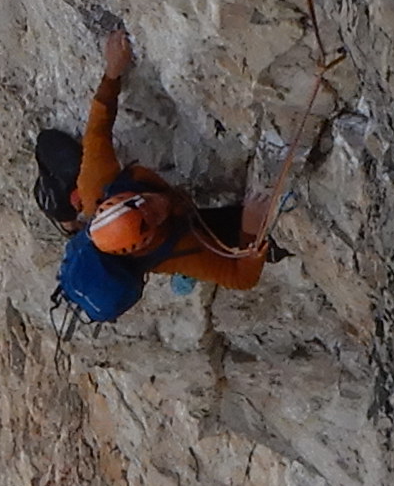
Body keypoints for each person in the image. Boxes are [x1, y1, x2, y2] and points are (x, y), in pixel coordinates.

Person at [42, 22, 291, 322]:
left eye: (144, 201)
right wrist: (252, 231)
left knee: (55, 152)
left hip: (97, 201)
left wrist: (112, 72)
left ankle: (68, 217)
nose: (158, 205)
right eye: (154, 218)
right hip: (186, 231)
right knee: (249, 233)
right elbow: (241, 278)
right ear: (147, 242)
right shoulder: (172, 251)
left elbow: (97, 131)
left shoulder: (97, 186)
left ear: (120, 196)